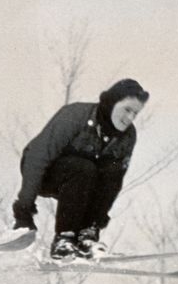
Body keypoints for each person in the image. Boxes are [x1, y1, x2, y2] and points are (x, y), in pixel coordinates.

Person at [12, 78, 149, 260]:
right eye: (127, 110)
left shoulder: (127, 136)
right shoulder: (75, 115)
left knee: (112, 171)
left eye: (135, 113)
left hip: (83, 183)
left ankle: (86, 238)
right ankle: (64, 239)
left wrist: (95, 224)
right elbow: (37, 158)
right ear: (112, 102)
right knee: (83, 167)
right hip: (46, 173)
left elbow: (112, 184)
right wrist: (24, 210)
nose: (130, 118)